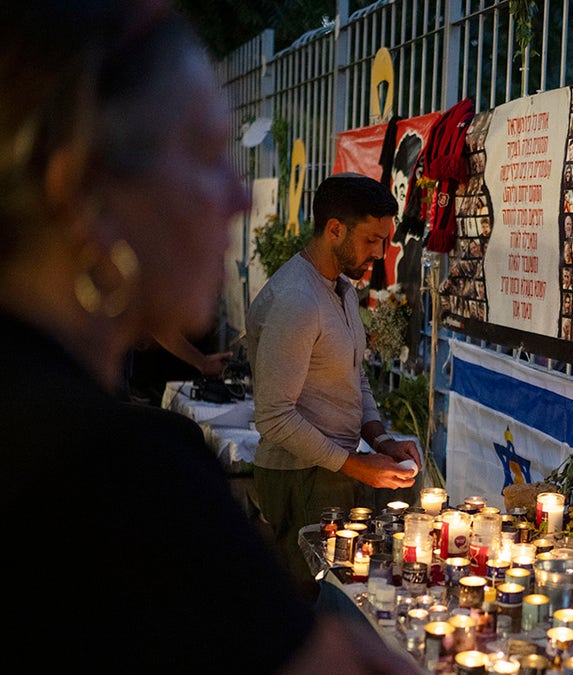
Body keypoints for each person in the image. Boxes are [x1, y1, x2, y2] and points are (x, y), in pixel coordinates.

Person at [0, 1, 415, 672]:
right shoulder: (115, 475)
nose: (241, 197)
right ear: (81, 189)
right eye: (203, 153)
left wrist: (373, 433)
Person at [247, 172, 422, 593]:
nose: (380, 254)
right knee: (315, 604)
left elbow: (353, 373)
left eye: (385, 241)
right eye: (371, 240)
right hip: (300, 476)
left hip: (330, 470)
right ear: (334, 229)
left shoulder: (340, 288)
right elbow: (274, 417)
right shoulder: (297, 300)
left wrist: (379, 440)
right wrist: (357, 465)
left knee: (345, 594)